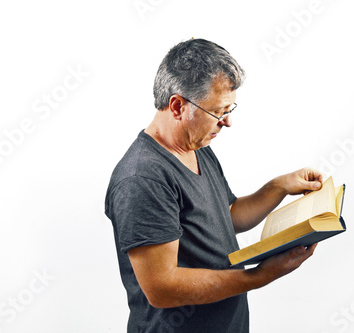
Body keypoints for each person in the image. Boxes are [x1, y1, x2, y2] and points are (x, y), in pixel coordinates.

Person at [105, 38, 324, 332]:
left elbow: (227, 215)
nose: (227, 122)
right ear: (178, 106)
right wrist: (259, 277)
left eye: (230, 109)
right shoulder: (142, 178)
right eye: (219, 112)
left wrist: (280, 186)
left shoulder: (197, 146)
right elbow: (162, 288)